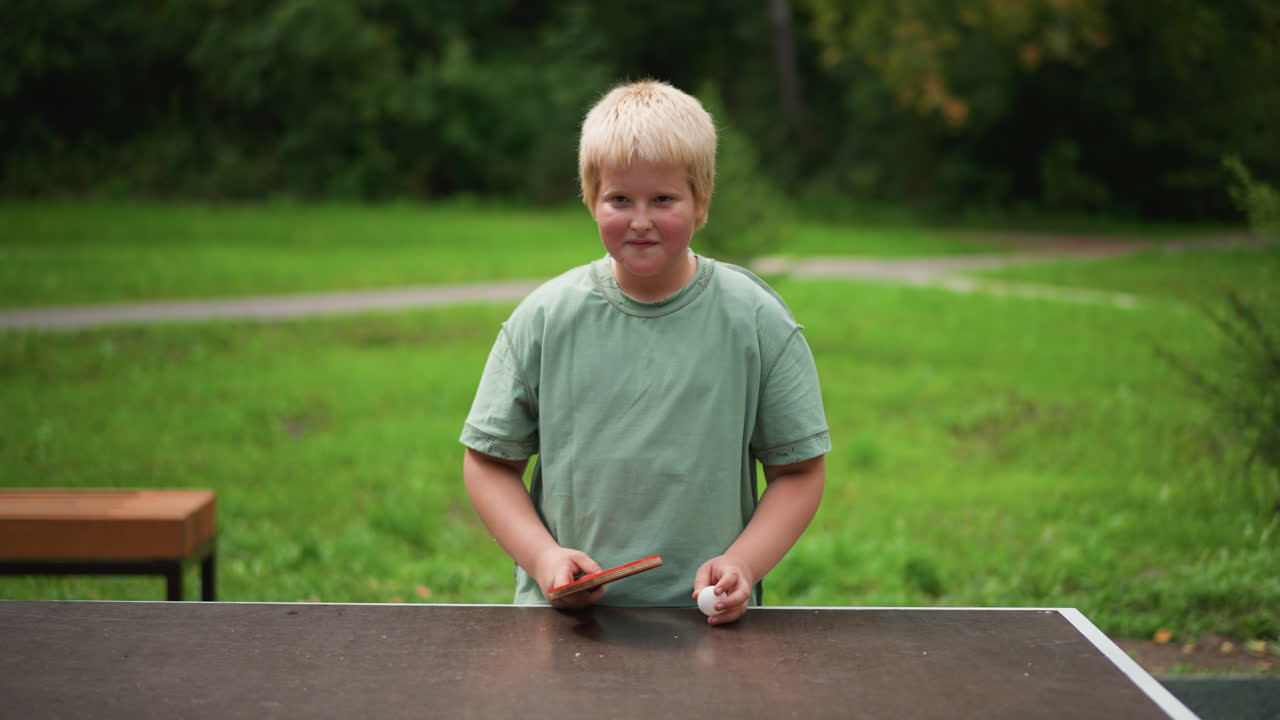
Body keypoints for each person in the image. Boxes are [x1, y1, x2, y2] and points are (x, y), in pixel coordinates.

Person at [460, 79, 829, 625]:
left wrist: (743, 563)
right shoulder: (542, 319)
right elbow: (488, 463)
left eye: (663, 199)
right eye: (619, 199)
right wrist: (544, 559)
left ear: (701, 202)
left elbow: (799, 472)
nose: (640, 220)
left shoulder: (757, 320)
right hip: (568, 627)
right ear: (591, 199)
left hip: (708, 628)